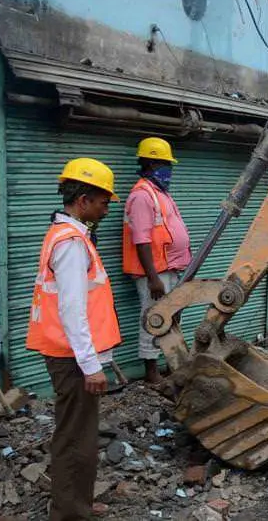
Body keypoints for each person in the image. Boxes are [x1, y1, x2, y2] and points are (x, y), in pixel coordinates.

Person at [25, 157, 121, 521]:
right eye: (103, 200)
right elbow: (71, 310)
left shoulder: (70, 236)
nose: (107, 206)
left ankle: (77, 503)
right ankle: (69, 513)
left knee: (82, 435)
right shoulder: (70, 244)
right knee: (75, 439)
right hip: (73, 358)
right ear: (82, 200)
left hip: (72, 356)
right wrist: (91, 365)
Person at [123, 137, 191, 384]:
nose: (169, 169)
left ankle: (171, 365)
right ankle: (151, 373)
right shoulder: (142, 195)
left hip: (169, 268)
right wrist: (152, 278)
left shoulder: (159, 192)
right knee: (153, 317)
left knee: (171, 317)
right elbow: (141, 239)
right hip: (155, 273)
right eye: (165, 164)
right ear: (151, 163)